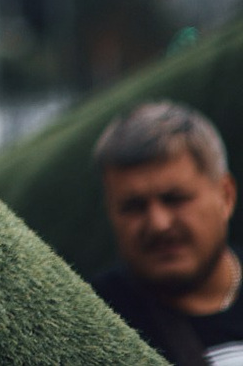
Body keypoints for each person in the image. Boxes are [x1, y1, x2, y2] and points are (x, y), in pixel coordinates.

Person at [91, 100, 243, 366]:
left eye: (175, 199)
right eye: (133, 207)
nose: (158, 223)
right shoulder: (95, 323)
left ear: (226, 196)